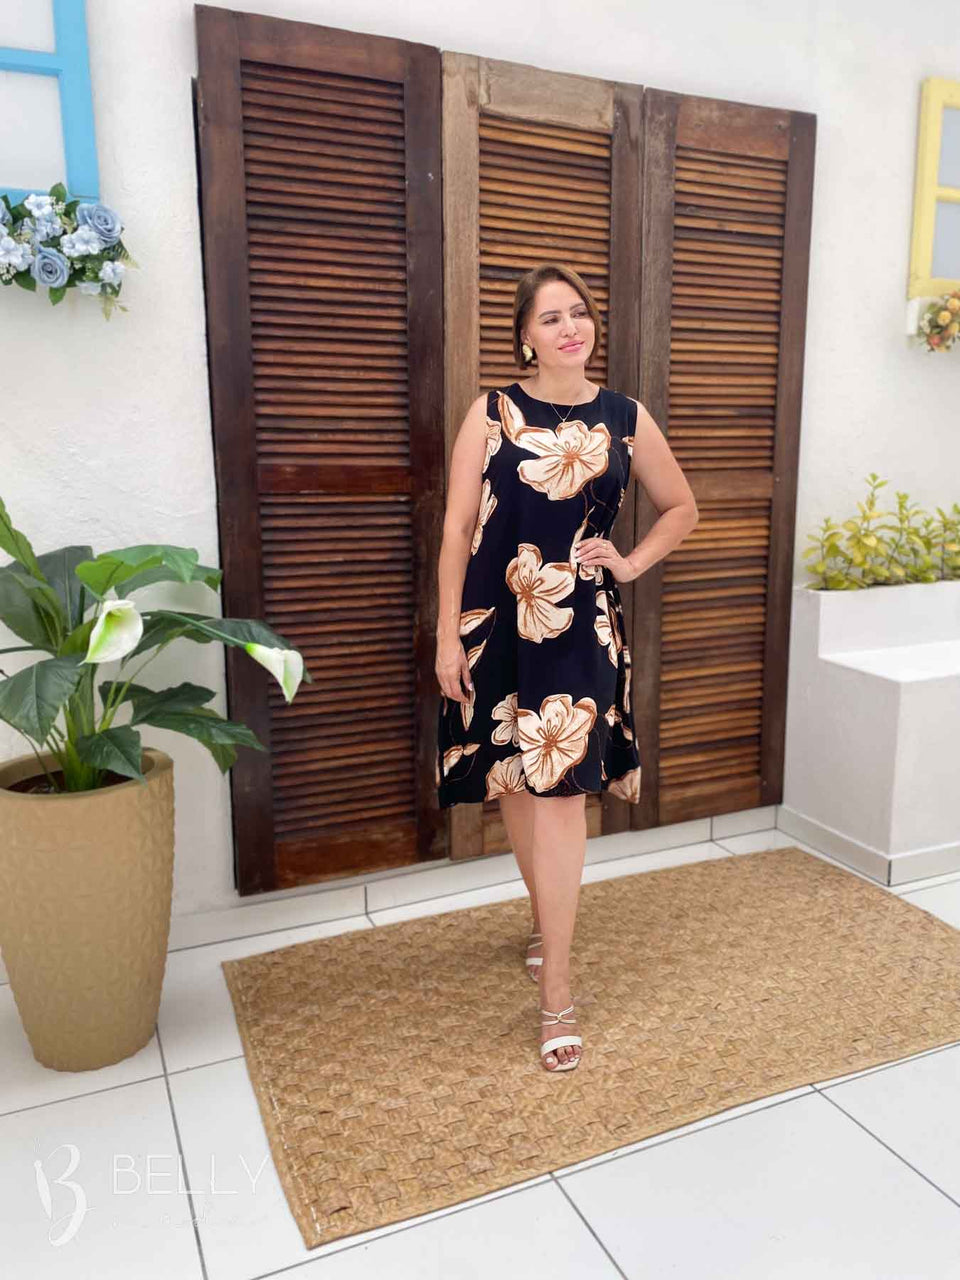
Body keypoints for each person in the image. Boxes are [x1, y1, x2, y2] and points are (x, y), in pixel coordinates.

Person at [434, 263, 698, 1071]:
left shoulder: (625, 416)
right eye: (551, 317)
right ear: (526, 335)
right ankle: (546, 928)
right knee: (519, 786)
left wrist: (629, 562)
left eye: (578, 313)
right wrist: (446, 636)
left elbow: (682, 507)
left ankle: (557, 990)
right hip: (496, 623)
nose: (569, 328)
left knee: (558, 794)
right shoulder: (490, 413)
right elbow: (456, 530)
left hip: (579, 627)